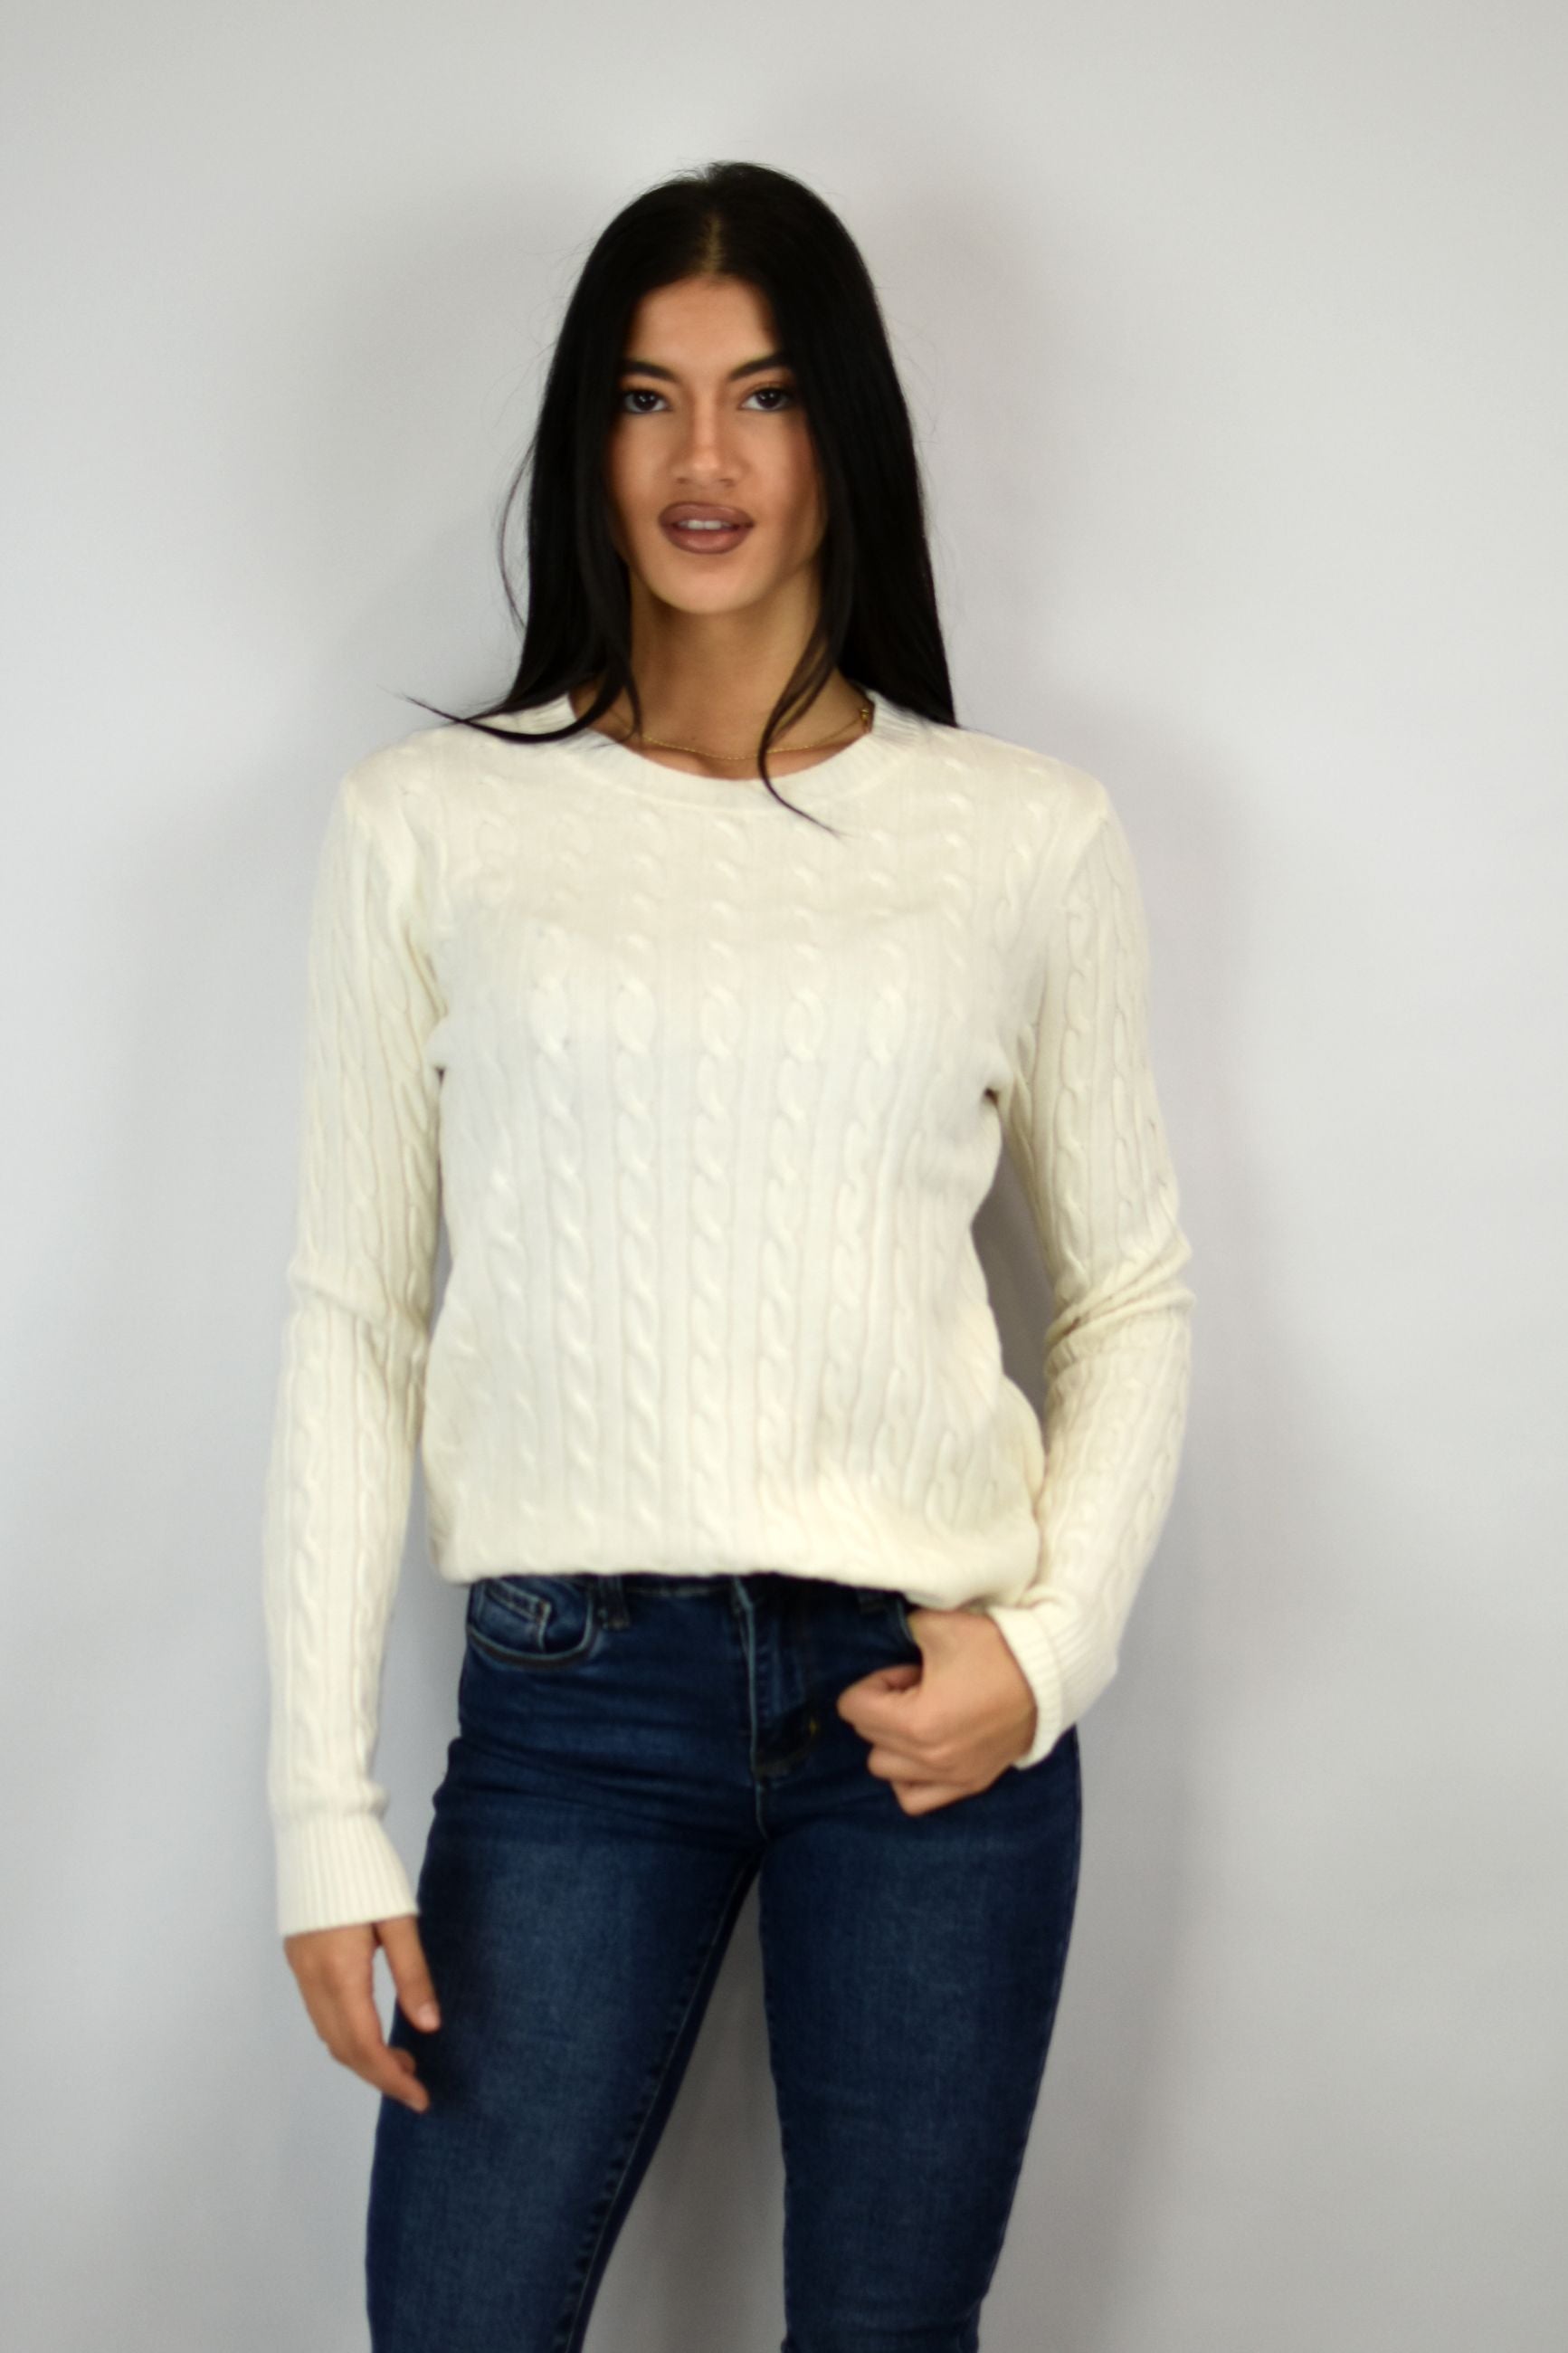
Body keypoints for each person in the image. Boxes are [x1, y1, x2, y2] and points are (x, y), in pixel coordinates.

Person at [262, 159, 1195, 2353]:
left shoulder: (1023, 831)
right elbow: (353, 1315)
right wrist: (321, 1810)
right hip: (574, 1704)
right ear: (587, 440)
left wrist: (1050, 1647)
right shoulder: (431, 826)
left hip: (927, 1701)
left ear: (838, 430)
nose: (705, 457)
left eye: (763, 395)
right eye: (647, 395)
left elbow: (1130, 1291)